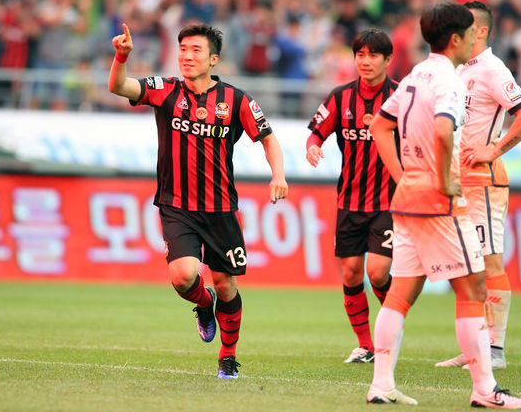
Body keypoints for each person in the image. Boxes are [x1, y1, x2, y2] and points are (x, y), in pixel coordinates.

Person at [366, 2, 521, 409]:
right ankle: (485, 391)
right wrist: (443, 180)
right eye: (469, 32)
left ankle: (381, 385)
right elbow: (444, 130)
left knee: (400, 294)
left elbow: (380, 126)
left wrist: (404, 175)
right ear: (457, 38)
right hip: (440, 202)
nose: (474, 38)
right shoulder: (450, 81)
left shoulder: (414, 75)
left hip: (408, 198)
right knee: (473, 288)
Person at [108, 23, 288, 379]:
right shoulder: (164, 89)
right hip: (176, 206)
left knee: (225, 284)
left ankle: (228, 356)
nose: (187, 56)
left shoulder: (237, 100)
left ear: (213, 59)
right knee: (183, 277)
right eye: (183, 49)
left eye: (196, 50)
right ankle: (204, 305)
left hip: (220, 209)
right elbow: (118, 86)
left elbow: (268, 138)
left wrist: (278, 175)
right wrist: (122, 56)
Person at [435, 0, 521, 371]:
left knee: (489, 261)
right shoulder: (458, 67)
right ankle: (474, 344)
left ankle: (495, 349)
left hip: (483, 181)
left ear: (480, 31)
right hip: (457, 180)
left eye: (462, 25)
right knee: (463, 265)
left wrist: (493, 149)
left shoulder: (493, 69)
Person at [305, 28, 397, 364]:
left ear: (388, 60)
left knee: (378, 273)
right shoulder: (340, 97)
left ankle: (392, 329)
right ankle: (366, 345)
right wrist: (313, 147)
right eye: (360, 55)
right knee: (351, 273)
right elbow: (315, 133)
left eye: (373, 55)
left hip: (388, 202)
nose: (365, 61)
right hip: (349, 202)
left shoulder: (401, 97)